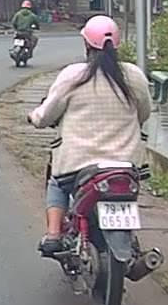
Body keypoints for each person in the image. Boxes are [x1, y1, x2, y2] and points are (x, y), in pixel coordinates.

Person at [26, 15, 151, 255]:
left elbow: (45, 116)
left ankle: (53, 235)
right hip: (126, 165)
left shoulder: (73, 75)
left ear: (86, 44)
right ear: (117, 44)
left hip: (77, 165)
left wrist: (33, 117)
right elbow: (144, 113)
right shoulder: (133, 75)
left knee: (57, 183)